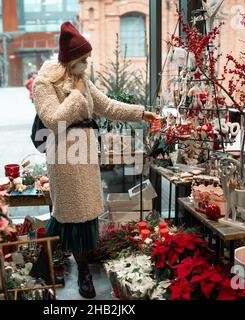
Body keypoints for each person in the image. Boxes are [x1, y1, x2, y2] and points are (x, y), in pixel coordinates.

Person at [29, 21, 160, 299]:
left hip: (85, 157)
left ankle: (45, 265)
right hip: (65, 159)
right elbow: (53, 120)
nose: (87, 64)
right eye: (84, 59)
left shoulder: (83, 81)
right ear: (71, 59)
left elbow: (108, 105)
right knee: (71, 216)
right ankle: (83, 274)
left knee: (82, 215)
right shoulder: (45, 83)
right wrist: (76, 95)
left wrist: (141, 113)